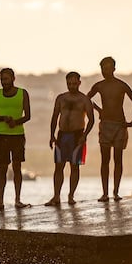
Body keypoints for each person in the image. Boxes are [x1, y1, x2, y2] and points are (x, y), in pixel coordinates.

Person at [87, 57, 132, 202]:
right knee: (105, 160)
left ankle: (115, 192)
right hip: (105, 125)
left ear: (114, 68)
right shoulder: (99, 85)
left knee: (118, 159)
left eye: (108, 68)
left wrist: (131, 123)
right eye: (103, 68)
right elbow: (86, 100)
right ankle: (105, 193)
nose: (105, 71)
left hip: (119, 125)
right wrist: (98, 110)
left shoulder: (121, 85)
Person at [46, 72, 95, 206]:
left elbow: (92, 120)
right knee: (58, 167)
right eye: (69, 84)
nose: (72, 86)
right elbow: (55, 117)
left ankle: (71, 195)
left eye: (74, 83)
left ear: (79, 83)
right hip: (62, 135)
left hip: (77, 135)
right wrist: (52, 135)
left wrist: (84, 135)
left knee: (75, 167)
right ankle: (56, 196)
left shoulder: (84, 100)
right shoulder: (61, 98)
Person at [0, 68, 31, 211]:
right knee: (2, 169)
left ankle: (18, 200)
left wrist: (16, 122)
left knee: (17, 168)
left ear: (13, 78)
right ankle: (0, 201)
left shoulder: (23, 93)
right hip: (1, 135)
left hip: (18, 135)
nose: (4, 82)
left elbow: (28, 116)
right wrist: (3, 118)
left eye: (6, 79)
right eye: (1, 79)